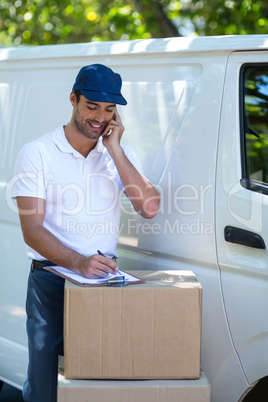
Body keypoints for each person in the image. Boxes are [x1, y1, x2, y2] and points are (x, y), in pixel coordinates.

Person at [11, 64, 160, 402]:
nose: (100, 117)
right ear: (73, 99)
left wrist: (116, 149)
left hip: (103, 281)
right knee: (45, 387)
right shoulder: (37, 153)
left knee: (98, 385)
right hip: (51, 281)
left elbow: (149, 207)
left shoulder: (118, 155)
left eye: (109, 110)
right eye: (92, 106)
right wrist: (79, 262)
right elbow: (32, 230)